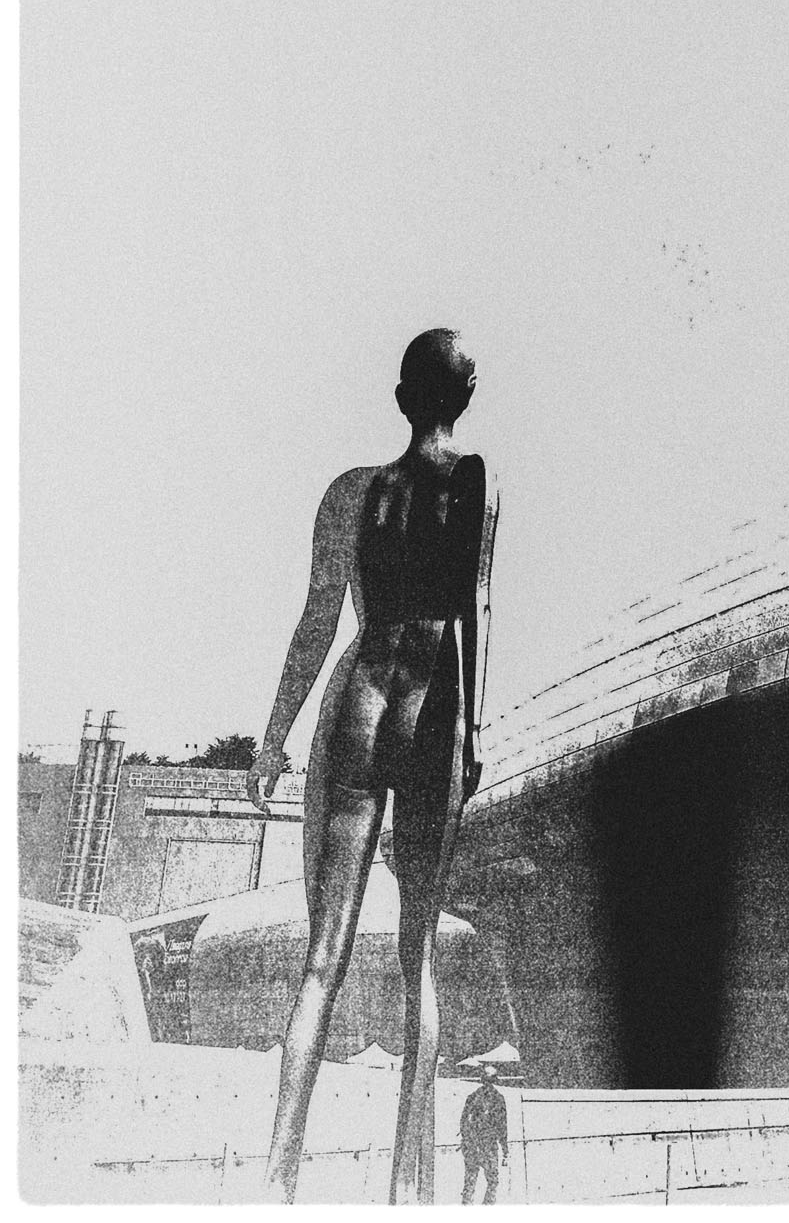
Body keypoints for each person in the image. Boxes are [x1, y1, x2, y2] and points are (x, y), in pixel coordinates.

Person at [248, 329, 497, 1203]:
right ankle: (407, 1193)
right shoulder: (476, 479)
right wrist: (472, 737)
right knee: (416, 955)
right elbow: (475, 608)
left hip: (358, 694)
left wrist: (272, 735)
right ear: (465, 397)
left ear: (401, 397)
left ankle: (277, 1182)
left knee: (324, 957)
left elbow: (319, 619)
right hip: (434, 703)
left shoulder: (350, 492)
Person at [459, 1067, 510, 1204]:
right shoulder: (498, 1098)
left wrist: (467, 1140)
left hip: (473, 1144)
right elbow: (502, 1127)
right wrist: (505, 1150)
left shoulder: (472, 1096)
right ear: (495, 1080)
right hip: (488, 1145)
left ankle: (467, 1206)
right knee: (492, 1181)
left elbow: (463, 1122)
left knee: (470, 1180)